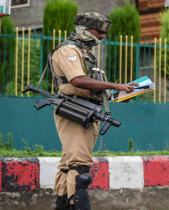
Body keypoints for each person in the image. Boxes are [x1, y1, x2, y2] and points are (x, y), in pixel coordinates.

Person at [49, 12, 138, 210]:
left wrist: (119, 93)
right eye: (99, 30)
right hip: (74, 109)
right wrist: (115, 85)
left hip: (87, 109)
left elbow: (92, 86)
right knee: (80, 168)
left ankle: (62, 205)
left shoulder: (85, 52)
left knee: (69, 164)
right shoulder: (68, 50)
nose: (103, 35)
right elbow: (77, 80)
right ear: (84, 29)